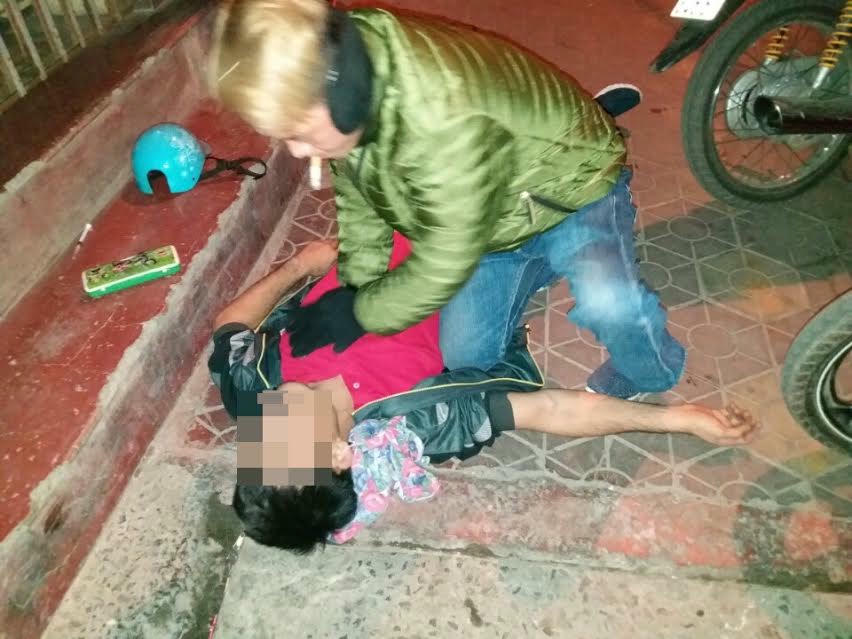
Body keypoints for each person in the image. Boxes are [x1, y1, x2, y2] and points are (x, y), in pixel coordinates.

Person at [208, 0, 685, 400]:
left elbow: (446, 255)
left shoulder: (441, 118)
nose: (295, 151)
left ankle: (651, 371)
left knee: (607, 300)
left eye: (297, 132)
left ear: (339, 97)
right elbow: (361, 202)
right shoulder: (351, 86)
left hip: (569, 186)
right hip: (493, 217)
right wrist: (354, 287)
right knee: (467, 359)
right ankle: (543, 259)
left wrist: (360, 313)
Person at [210, 240, 759, 554]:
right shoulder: (422, 422)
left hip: (381, 230)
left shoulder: (253, 395)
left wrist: (302, 266)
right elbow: (548, 408)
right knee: (507, 290)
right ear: (338, 454)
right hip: (466, 255)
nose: (266, 419)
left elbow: (228, 326)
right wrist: (680, 420)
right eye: (281, 439)